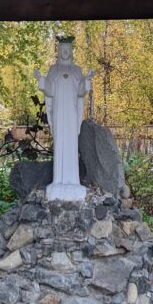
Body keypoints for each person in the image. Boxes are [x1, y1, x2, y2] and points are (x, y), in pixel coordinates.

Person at [34, 37, 94, 201]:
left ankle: (73, 181)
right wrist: (40, 79)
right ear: (59, 51)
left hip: (71, 113)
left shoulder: (76, 70)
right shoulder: (53, 70)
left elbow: (81, 92)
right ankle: (58, 180)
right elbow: (50, 90)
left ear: (71, 51)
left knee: (71, 145)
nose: (65, 51)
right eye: (63, 49)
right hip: (59, 114)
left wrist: (87, 80)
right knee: (61, 144)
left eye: (68, 49)